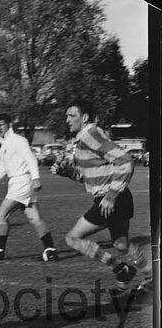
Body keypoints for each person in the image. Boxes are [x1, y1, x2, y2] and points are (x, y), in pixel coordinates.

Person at [53, 99, 150, 294]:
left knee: (73, 238)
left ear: (85, 117)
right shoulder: (85, 139)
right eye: (67, 116)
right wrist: (67, 172)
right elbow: (88, 175)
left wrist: (111, 195)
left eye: (72, 116)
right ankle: (150, 275)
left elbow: (125, 161)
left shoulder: (91, 135)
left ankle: (120, 269)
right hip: (118, 197)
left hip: (110, 199)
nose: (67, 120)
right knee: (121, 243)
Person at [0, 114, 58, 262]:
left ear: (9, 125)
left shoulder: (18, 140)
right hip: (18, 183)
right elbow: (4, 166)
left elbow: (31, 159)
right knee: (34, 218)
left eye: (1, 125)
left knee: (1, 215)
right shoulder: (5, 144)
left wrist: (36, 178)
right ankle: (50, 250)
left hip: (21, 182)